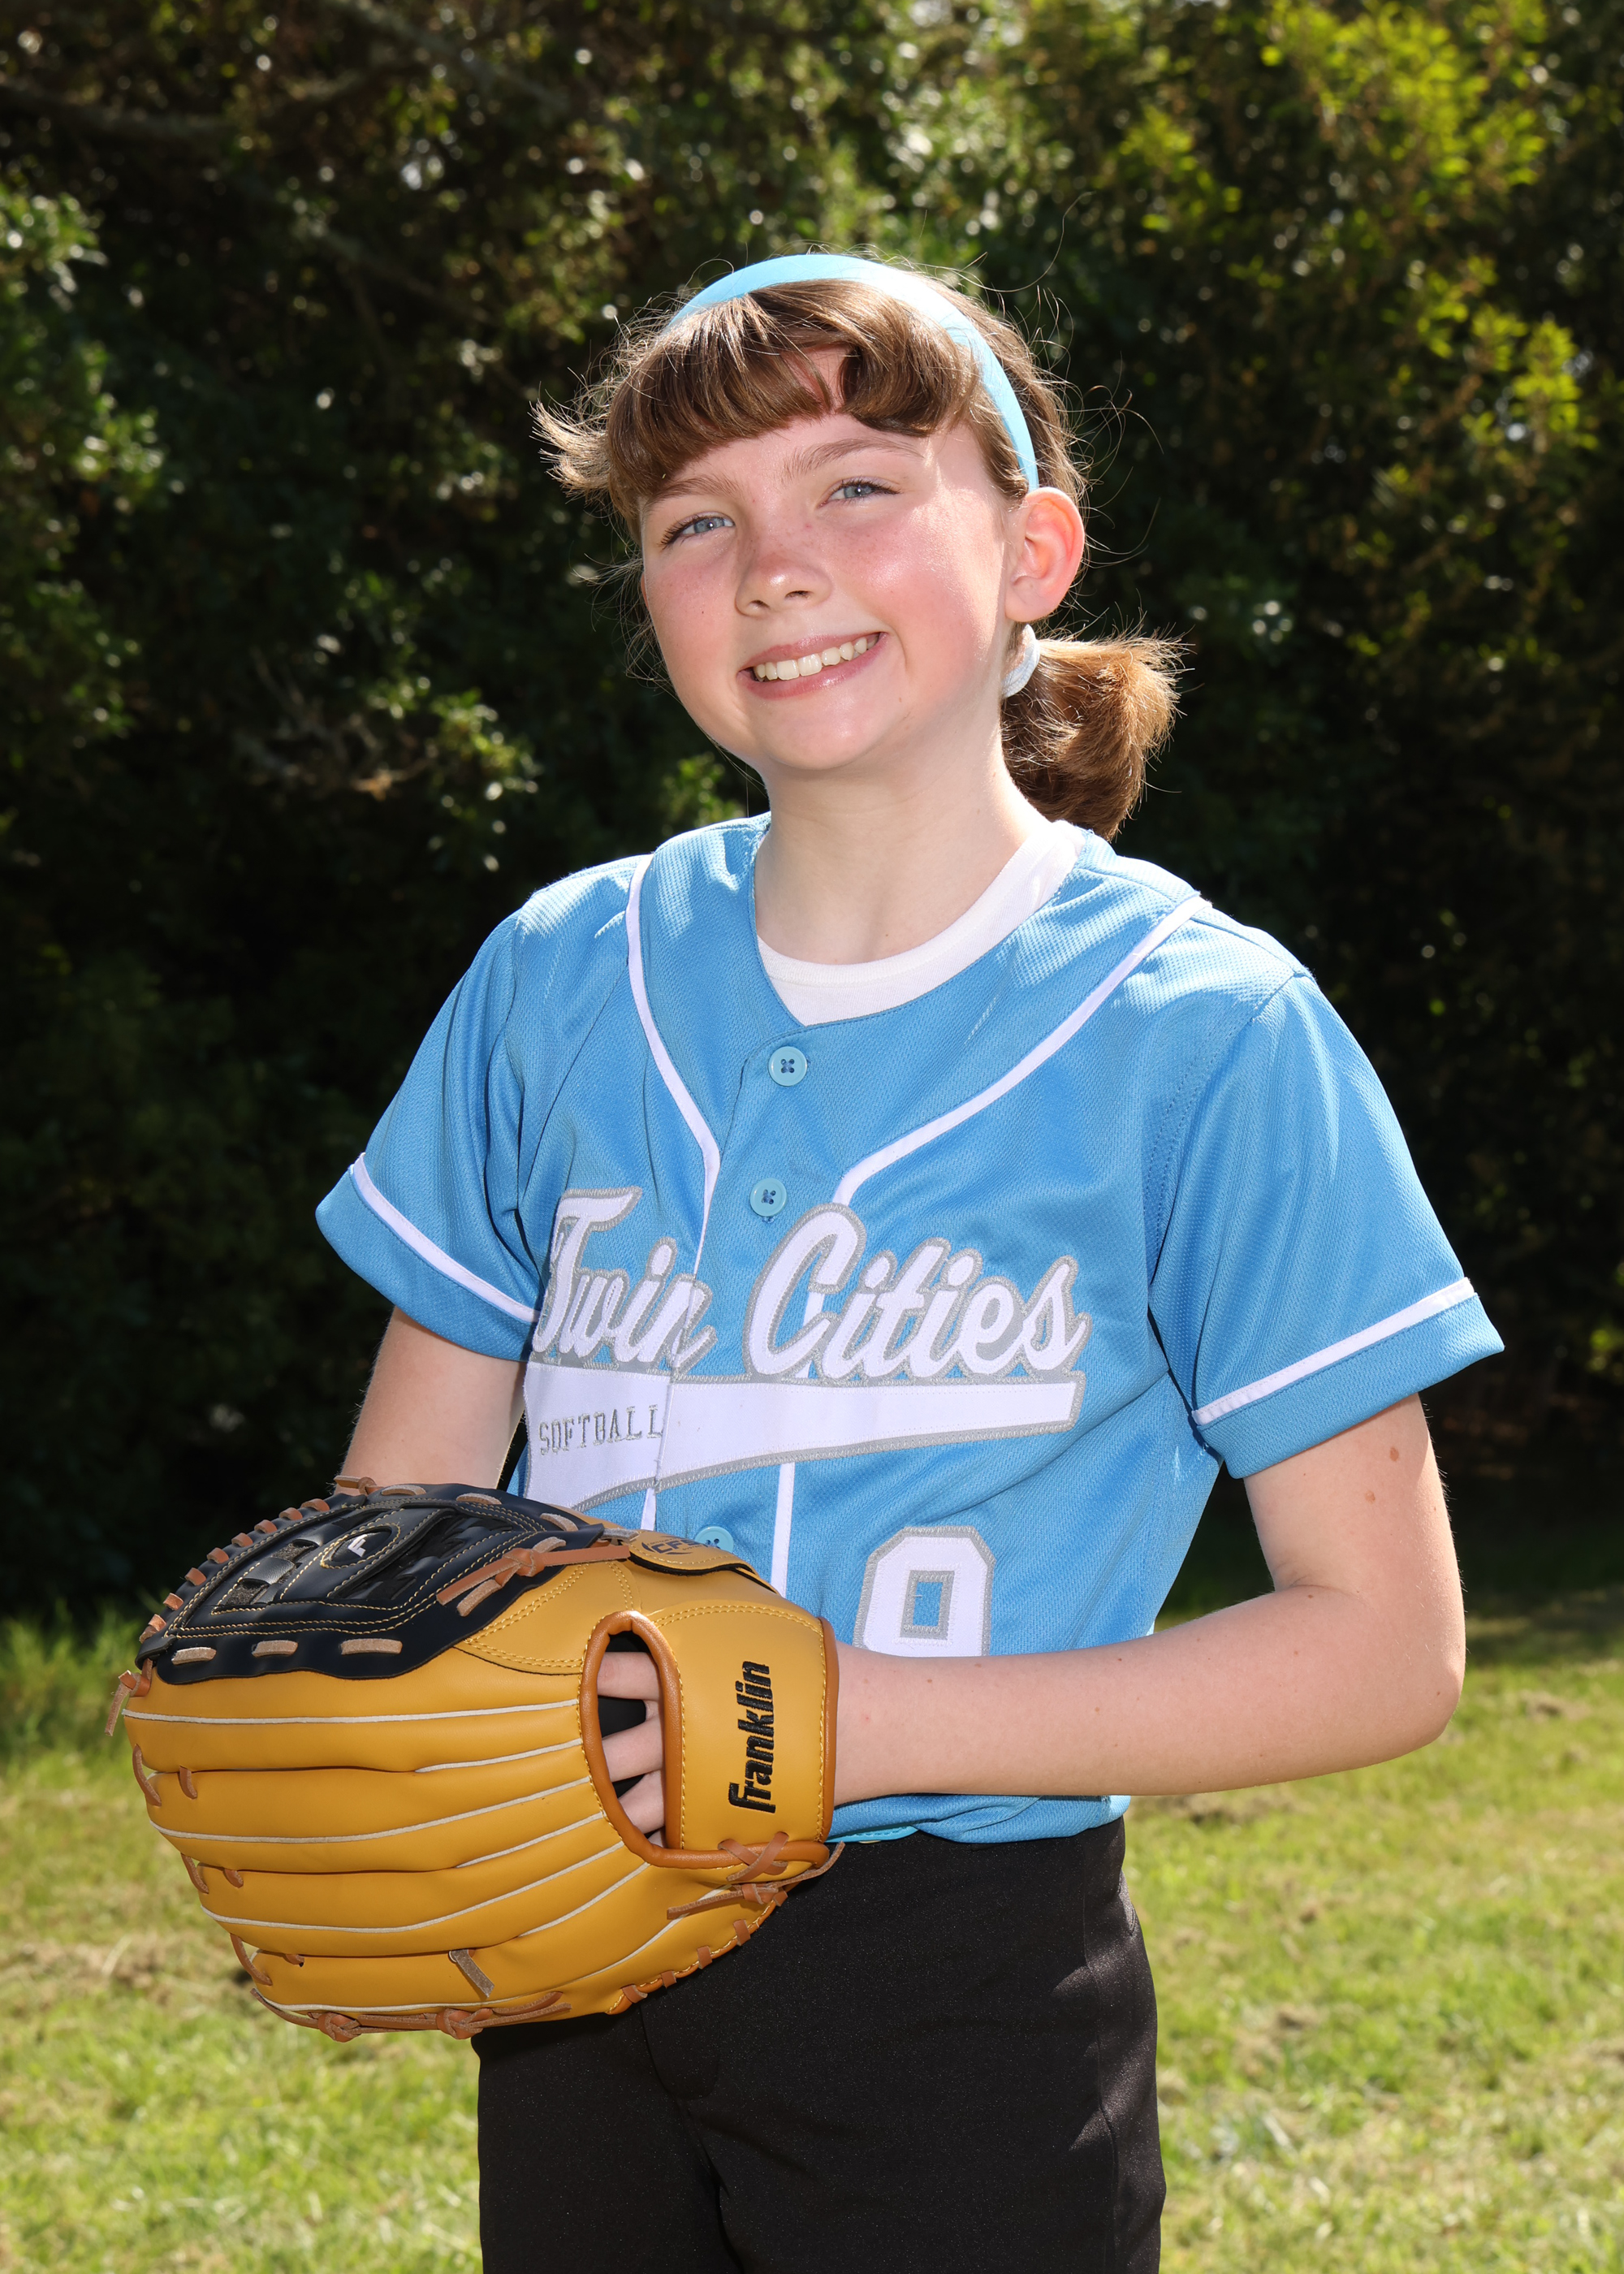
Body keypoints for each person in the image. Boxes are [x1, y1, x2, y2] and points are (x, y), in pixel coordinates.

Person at [315, 252, 1501, 2272]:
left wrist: (842, 1722)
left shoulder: (1202, 1029)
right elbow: (401, 1511)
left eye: (857, 483)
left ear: (1032, 552)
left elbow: (1385, 1644)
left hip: (958, 1980)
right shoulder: (556, 976)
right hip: (576, 1947)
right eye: (694, 520)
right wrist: (382, 1761)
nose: (775, 562)